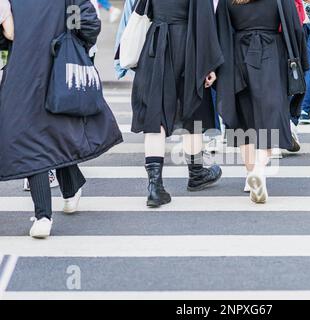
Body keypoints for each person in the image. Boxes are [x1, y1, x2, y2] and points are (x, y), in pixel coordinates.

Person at [0, 0, 123, 238]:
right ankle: (68, 191)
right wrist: (69, 37)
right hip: (60, 67)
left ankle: (45, 214)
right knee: (56, 132)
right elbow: (88, 25)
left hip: (22, 75)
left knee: (32, 140)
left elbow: (7, 37)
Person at [128, 0, 224, 208]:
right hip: (187, 44)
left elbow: (144, 8)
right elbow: (204, 21)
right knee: (195, 108)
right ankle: (196, 173)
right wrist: (210, 65)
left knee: (155, 113)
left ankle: (155, 186)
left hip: (155, 44)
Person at [216, 0, 309, 203]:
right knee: (271, 118)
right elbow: (294, 27)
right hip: (271, 56)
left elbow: (220, 29)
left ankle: (250, 176)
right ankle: (259, 168)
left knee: (243, 118)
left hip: (237, 57)